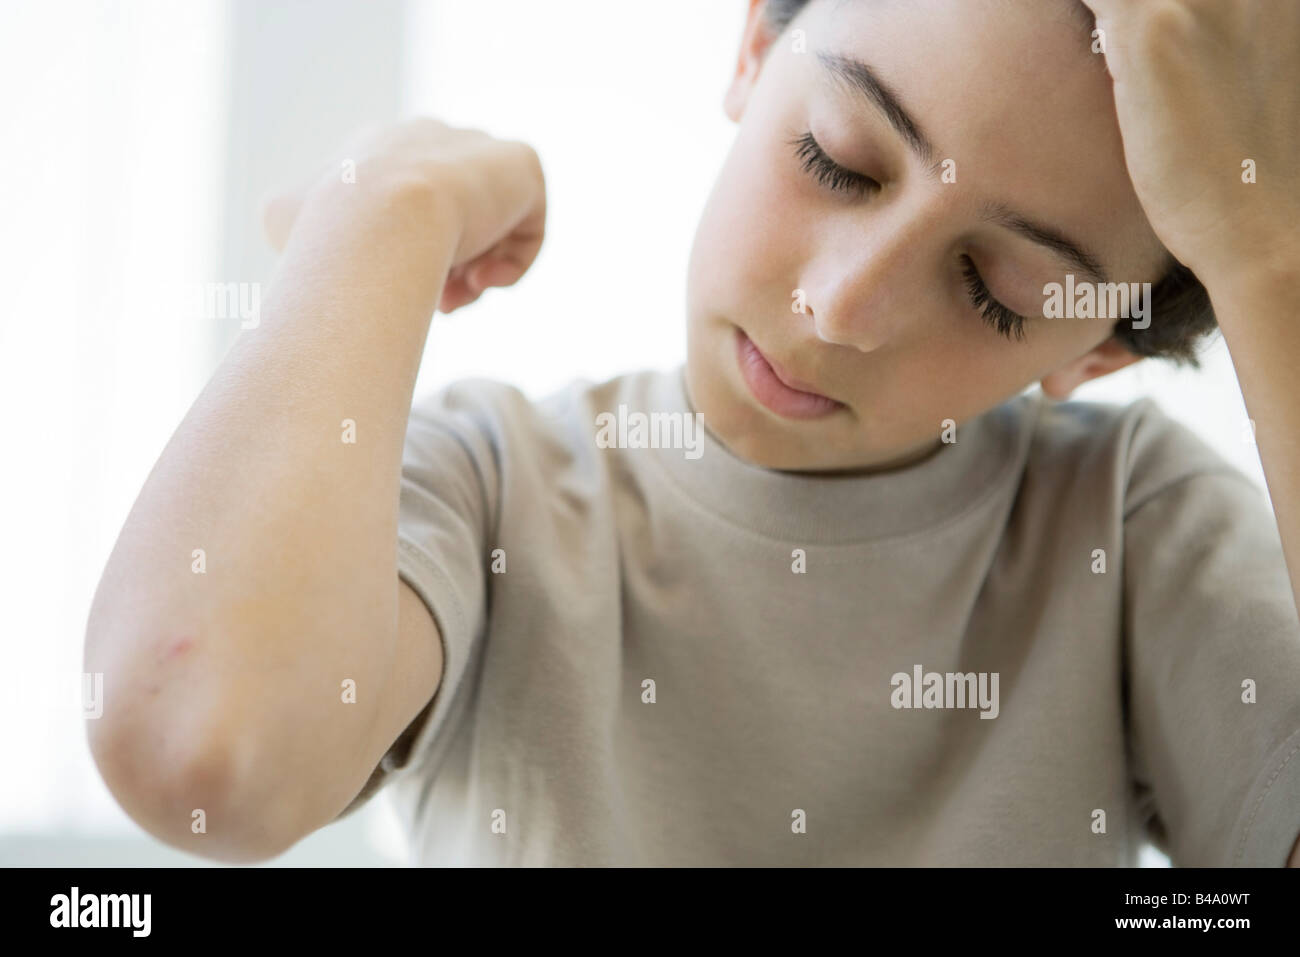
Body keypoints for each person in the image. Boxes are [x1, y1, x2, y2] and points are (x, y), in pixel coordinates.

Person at [85, 0, 1300, 865]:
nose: (840, 306)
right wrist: (382, 211)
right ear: (755, 45)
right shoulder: (491, 494)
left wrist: (1259, 258)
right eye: (837, 159)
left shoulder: (1135, 537)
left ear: (1091, 348)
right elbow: (203, 755)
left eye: (998, 293)